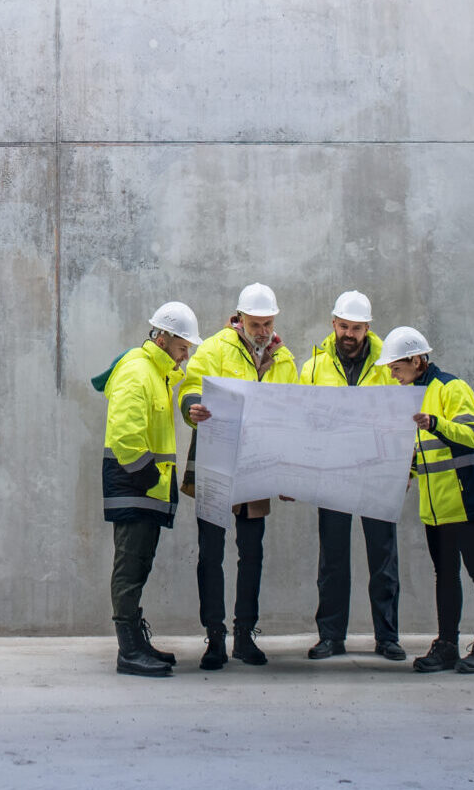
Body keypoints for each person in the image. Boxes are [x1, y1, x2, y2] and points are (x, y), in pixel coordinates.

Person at [178, 283, 300, 669]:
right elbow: (191, 387)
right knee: (210, 553)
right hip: (215, 460)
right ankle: (215, 638)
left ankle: (245, 636)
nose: (262, 330)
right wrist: (192, 407)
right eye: (256, 323)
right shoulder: (214, 348)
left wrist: (286, 471)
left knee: (252, 554)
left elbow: (291, 415)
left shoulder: (285, 360)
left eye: (268, 323)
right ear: (239, 318)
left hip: (257, 464)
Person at [379, 326, 474, 674]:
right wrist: (408, 474)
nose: (393, 374)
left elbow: (471, 435)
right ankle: (447, 644)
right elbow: (425, 453)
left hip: (465, 500)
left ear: (417, 360)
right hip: (435, 508)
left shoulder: (451, 387)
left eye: (397, 368)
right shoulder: (412, 394)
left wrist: (435, 422)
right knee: (445, 576)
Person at [98, 301, 204, 677]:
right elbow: (125, 434)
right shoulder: (137, 371)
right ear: (162, 338)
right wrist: (146, 478)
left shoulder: (157, 373)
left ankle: (136, 642)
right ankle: (128, 651)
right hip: (135, 485)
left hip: (146, 487)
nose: (185, 355)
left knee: (139, 565)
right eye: (181, 347)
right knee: (129, 567)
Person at [300, 290, 405, 662]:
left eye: (356, 328)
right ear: (333, 324)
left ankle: (387, 637)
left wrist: (404, 465)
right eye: (343, 326)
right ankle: (330, 637)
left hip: (378, 473)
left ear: (368, 328)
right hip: (332, 473)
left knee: (383, 557)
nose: (349, 333)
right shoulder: (312, 367)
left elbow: (404, 416)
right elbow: (303, 422)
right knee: (332, 559)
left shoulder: (389, 363)